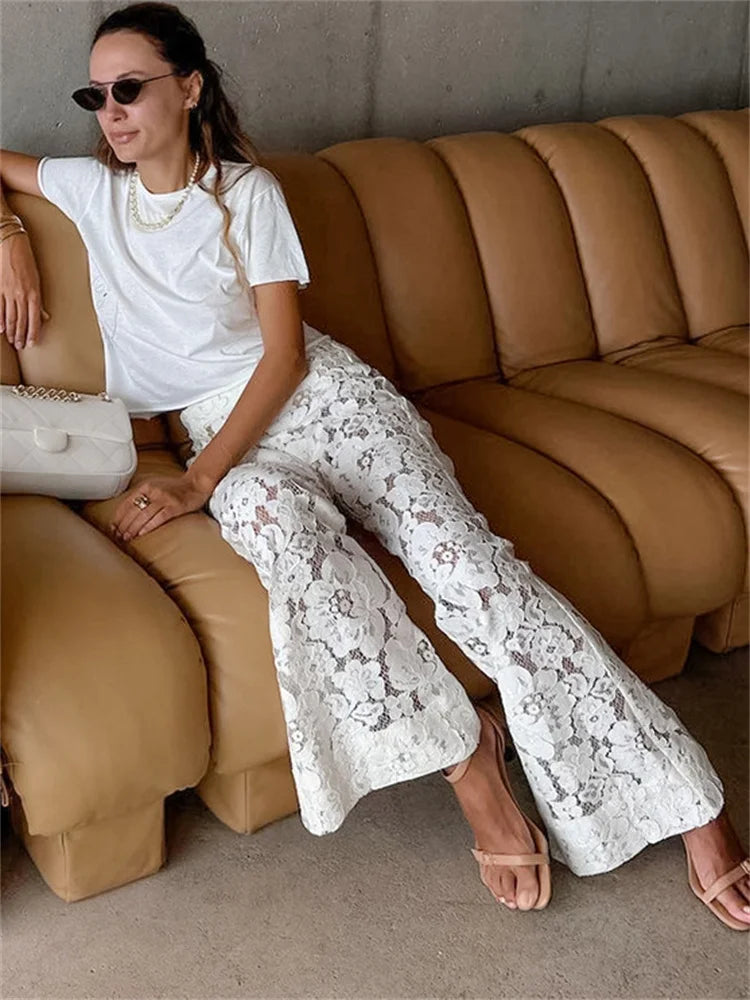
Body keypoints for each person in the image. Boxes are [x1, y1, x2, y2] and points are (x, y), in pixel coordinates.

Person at [1, 0, 748, 930]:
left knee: (471, 570)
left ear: (188, 89)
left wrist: (195, 482)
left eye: (128, 89)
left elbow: (283, 358)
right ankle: (468, 760)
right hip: (223, 433)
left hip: (325, 400)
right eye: (95, 96)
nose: (110, 113)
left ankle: (689, 803)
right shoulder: (88, 188)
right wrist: (10, 236)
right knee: (284, 543)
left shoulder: (247, 196)